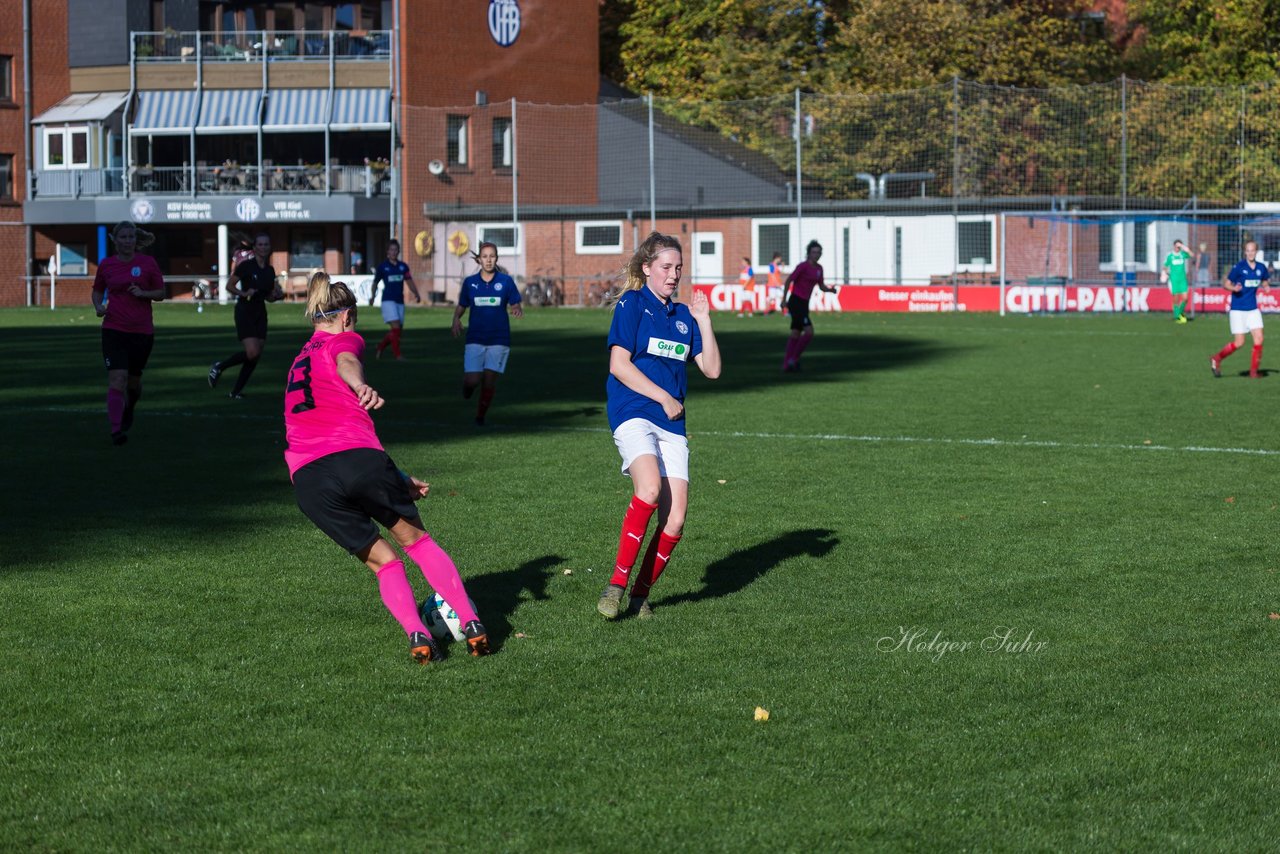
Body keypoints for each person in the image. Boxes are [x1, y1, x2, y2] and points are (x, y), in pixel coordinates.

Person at [284, 272, 491, 664]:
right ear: (346, 317)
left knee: (384, 562)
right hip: (358, 459)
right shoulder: (345, 338)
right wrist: (361, 385)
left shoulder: (298, 360)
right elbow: (346, 361)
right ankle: (470, 621)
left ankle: (417, 633)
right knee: (418, 543)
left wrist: (397, 478)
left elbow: (326, 443)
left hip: (309, 482)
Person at [596, 232, 721, 620]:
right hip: (633, 410)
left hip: (672, 424)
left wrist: (704, 320)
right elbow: (619, 365)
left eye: (678, 268)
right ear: (647, 268)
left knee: (676, 517)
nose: (673, 275)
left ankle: (639, 596)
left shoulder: (684, 316)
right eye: (666, 267)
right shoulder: (633, 303)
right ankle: (615, 586)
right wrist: (664, 397)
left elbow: (713, 369)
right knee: (648, 490)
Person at [91, 221, 166, 445]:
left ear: (136, 240)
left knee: (133, 382)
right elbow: (97, 291)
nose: (127, 241)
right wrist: (98, 306)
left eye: (130, 237)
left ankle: (130, 406)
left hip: (141, 332)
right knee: (117, 378)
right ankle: (116, 430)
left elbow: (161, 293)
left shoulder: (148, 263)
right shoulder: (106, 265)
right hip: (114, 329)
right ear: (115, 240)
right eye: (122, 237)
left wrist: (143, 293)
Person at [451, 241, 523, 425]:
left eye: (492, 256)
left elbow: (515, 301)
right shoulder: (470, 283)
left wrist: (516, 308)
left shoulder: (505, 281)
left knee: (490, 380)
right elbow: (462, 305)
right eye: (485, 256)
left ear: (496, 258)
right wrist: (456, 319)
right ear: (479, 260)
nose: (488, 260)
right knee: (473, 380)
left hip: (499, 338)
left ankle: (480, 417)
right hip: (475, 338)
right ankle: (467, 388)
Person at [208, 232, 284, 398]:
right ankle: (219, 366)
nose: (263, 247)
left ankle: (236, 392)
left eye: (266, 244)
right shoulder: (246, 266)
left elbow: (269, 296)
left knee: (255, 356)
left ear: (269, 248)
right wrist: (243, 293)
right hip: (245, 311)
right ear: (255, 248)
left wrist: (277, 296)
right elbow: (229, 286)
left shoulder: (270, 270)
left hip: (260, 312)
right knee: (252, 352)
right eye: (260, 244)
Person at [1211, 240, 1270, 379]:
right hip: (1238, 310)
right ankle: (1216, 359)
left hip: (1253, 309)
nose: (1250, 253)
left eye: (1253, 250)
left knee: (1259, 338)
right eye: (1248, 250)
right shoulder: (1239, 267)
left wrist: (1266, 286)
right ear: (1245, 252)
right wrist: (1234, 288)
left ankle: (1254, 372)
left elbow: (1265, 280)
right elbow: (1226, 284)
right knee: (1239, 342)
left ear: (1256, 251)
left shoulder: (1261, 267)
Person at [780, 239, 838, 372]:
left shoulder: (819, 269)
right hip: (796, 302)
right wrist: (784, 299)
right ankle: (792, 360)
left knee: (795, 333)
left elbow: (821, 285)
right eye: (814, 252)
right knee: (809, 332)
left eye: (818, 252)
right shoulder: (803, 266)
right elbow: (789, 280)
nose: (816, 254)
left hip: (804, 303)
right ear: (809, 253)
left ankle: (787, 365)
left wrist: (830, 290)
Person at [369, 239, 421, 360]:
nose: (393, 252)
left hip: (399, 301)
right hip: (387, 300)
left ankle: (380, 347)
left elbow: (409, 281)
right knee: (396, 326)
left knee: (397, 331)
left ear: (398, 251)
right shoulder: (383, 267)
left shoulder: (403, 266)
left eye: (395, 249)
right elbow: (375, 282)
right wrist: (372, 296)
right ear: (387, 252)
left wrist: (416, 293)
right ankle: (398, 355)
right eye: (391, 249)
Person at [1163, 239, 1194, 324]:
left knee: (1185, 298)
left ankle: (1179, 314)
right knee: (1176, 300)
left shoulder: (1182, 254)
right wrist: (1165, 273)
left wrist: (1185, 248)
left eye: (1179, 247)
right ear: (1174, 246)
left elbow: (1192, 255)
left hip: (1183, 280)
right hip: (1174, 280)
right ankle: (1177, 317)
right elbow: (1165, 266)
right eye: (1177, 246)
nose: (1178, 248)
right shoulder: (1170, 256)